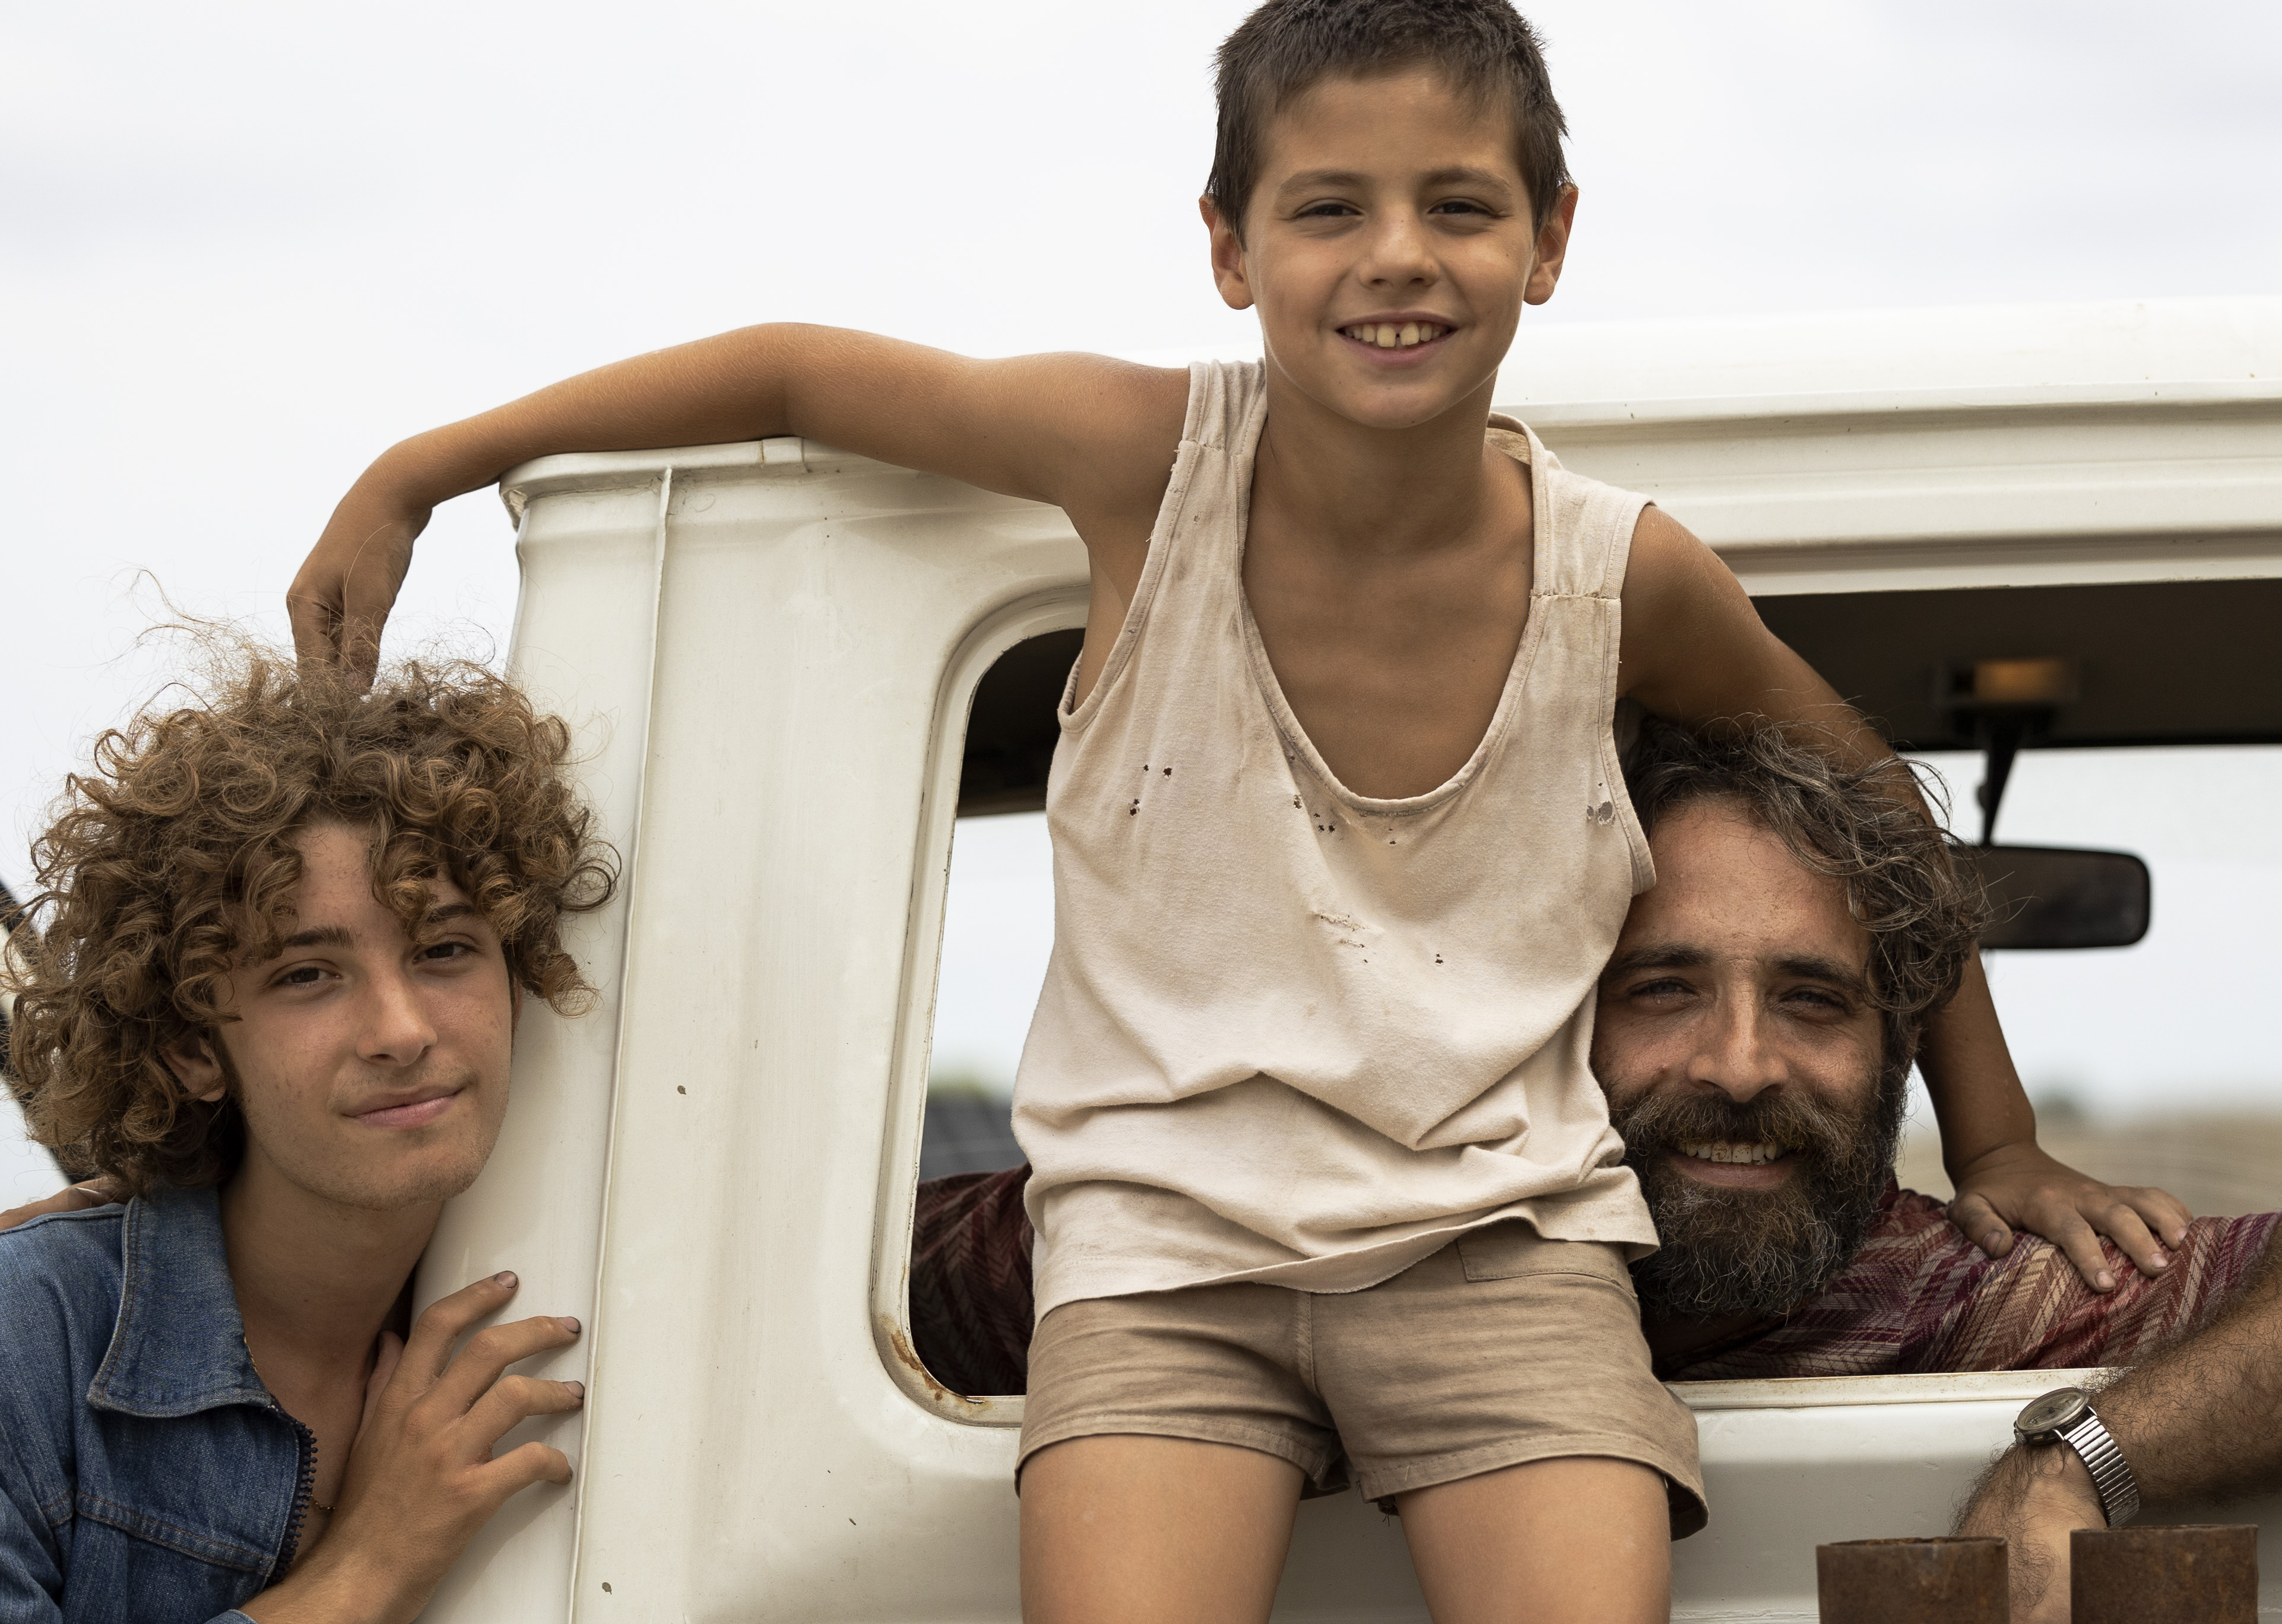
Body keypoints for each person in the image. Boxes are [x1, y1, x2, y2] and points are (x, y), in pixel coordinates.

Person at [286, 4, 2176, 1617]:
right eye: (1328, 209)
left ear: (1551, 239)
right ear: (1228, 244)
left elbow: (1870, 808)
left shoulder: (1623, 579)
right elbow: (795, 371)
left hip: (1497, 1243)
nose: (1397, 260)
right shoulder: (1140, 464)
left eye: (1459, 206)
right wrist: (427, 466)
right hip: (1163, 1252)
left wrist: (1995, 1143)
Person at [914, 720, 2282, 1624]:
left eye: (1813, 1000)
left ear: (1893, 1050)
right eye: (1662, 991)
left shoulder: (1943, 1285)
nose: (1740, 1066)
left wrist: (2086, 1460)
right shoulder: (1270, 1227)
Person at [0, 648, 619, 1624]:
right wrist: (365, 1571)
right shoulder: (16, 1338)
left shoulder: (604, 1293)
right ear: (192, 1046)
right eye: (308, 974)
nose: (402, 1030)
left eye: (444, 951)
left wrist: (411, 486)